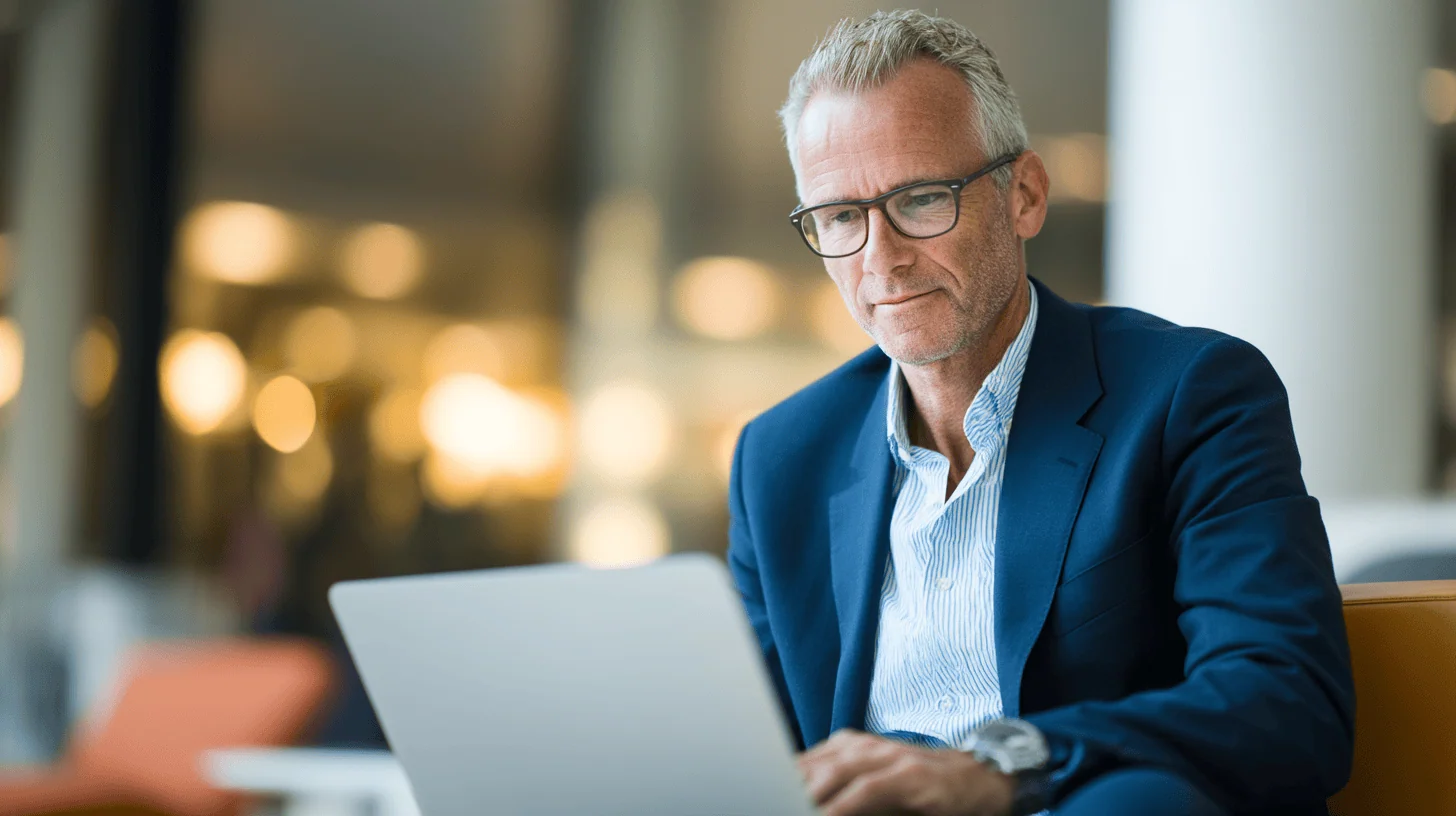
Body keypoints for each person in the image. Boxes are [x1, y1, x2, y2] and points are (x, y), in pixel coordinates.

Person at [726, 10, 1355, 816]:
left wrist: (999, 768)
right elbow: (749, 750)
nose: (881, 259)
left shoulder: (1192, 394)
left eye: (922, 199)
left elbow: (1289, 704)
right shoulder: (779, 457)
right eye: (842, 216)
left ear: (1024, 195)